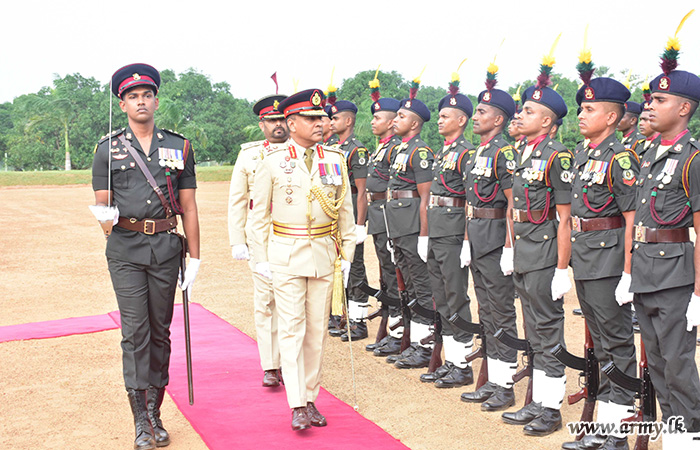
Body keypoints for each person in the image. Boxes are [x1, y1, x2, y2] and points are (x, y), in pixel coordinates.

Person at [91, 63, 200, 450]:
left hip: (166, 248)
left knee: (159, 331)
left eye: (147, 95)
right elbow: (103, 206)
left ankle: (155, 412)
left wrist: (196, 257)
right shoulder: (107, 150)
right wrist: (104, 217)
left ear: (156, 101)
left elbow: (189, 206)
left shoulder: (179, 146)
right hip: (125, 248)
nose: (141, 101)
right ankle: (140, 419)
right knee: (135, 332)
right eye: (132, 96)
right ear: (122, 105)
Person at [249, 88, 356, 431]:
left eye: (322, 117)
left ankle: (310, 397)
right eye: (311, 119)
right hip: (286, 254)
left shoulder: (335, 159)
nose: (320, 123)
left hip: (324, 255)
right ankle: (296, 403)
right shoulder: (272, 161)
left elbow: (346, 214)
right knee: (292, 328)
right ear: (292, 123)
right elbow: (258, 217)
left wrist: (348, 256)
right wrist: (260, 259)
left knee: (317, 331)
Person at [562, 66, 639, 450]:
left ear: (610, 117)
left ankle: (618, 431)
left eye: (589, 109)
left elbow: (631, 220)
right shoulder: (581, 153)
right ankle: (606, 423)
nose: (581, 114)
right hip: (585, 256)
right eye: (581, 108)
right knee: (602, 345)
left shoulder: (620, 158)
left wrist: (628, 272)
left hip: (608, 261)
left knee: (617, 342)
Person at [630, 35, 700, 448]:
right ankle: (676, 437)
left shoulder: (694, 158)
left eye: (660, 100)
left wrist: (699, 294)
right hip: (645, 270)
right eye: (650, 99)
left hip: (675, 275)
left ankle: (690, 437)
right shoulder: (649, 152)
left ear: (684, 108)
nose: (650, 106)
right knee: (656, 363)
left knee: (677, 364)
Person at [501, 54, 573, 437]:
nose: (521, 114)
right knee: (534, 330)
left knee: (548, 328)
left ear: (547, 121)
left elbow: (565, 217)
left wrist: (561, 268)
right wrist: (510, 247)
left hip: (544, 252)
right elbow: (514, 208)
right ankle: (538, 401)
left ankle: (551, 407)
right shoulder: (522, 152)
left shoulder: (557, 155)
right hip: (524, 250)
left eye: (529, 111)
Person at [460, 72, 520, 411]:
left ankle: (506, 384)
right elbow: (471, 202)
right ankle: (494, 380)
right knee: (486, 311)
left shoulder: (503, 152)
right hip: (478, 239)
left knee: (501, 311)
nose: (476, 116)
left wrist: (509, 247)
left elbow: (512, 203)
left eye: (482, 112)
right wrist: (467, 240)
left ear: (498, 119)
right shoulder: (477, 152)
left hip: (497, 241)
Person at [228, 94, 288, 387]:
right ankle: (271, 365)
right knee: (266, 301)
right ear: (262, 124)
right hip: (261, 237)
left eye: (282, 120)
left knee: (295, 301)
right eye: (272, 121)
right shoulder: (249, 155)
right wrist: (237, 239)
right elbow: (238, 200)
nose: (278, 125)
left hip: (294, 234)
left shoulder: (304, 152)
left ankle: (292, 362)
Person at [421, 80, 475, 388]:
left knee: (456, 295)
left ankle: (463, 364)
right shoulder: (443, 152)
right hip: (438, 230)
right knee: (440, 296)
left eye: (445, 116)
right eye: (439, 116)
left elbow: (471, 199)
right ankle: (453, 360)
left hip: (454, 232)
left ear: (461, 120)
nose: (439, 120)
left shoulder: (466, 153)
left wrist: (467, 240)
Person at [383, 85, 436, 369]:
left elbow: (425, 197)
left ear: (414, 124)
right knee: (410, 287)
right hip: (398, 227)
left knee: (421, 286)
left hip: (413, 227)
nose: (395, 119)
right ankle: (415, 342)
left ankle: (424, 347)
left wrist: (424, 235)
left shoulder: (420, 151)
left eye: (401, 116)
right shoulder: (401, 149)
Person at [328, 100, 371, 341]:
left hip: (351, 210)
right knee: (335, 264)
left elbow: (362, 191)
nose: (331, 122)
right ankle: (340, 314)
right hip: (334, 211)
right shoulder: (332, 147)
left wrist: (360, 225)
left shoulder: (357, 150)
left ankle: (358, 321)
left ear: (348, 121)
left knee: (354, 266)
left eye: (335, 118)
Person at [365, 92, 404, 355]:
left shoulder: (395, 149)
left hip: (389, 215)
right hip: (378, 214)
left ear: (391, 122)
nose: (372, 121)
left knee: (394, 273)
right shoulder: (382, 147)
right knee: (386, 274)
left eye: (377, 118)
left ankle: (399, 333)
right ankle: (393, 329)